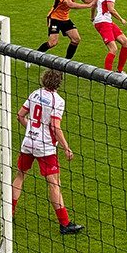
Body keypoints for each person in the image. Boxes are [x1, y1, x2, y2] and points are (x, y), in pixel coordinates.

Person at [11, 69, 84, 235]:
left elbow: (20, 116)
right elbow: (54, 126)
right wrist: (66, 147)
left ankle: (10, 212)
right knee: (54, 184)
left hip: (28, 142)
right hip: (46, 148)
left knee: (20, 176)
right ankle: (65, 224)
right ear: (59, 82)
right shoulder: (57, 101)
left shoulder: (35, 94)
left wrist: (31, 130)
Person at [30, 0, 97, 65]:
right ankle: (32, 58)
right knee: (53, 43)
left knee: (76, 39)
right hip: (55, 18)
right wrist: (88, 6)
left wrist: (96, 1)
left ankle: (66, 62)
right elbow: (71, 4)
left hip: (65, 19)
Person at [92, 0, 127, 73]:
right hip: (103, 22)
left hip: (106, 21)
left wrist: (92, 17)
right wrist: (121, 19)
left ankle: (119, 71)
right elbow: (111, 9)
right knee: (113, 49)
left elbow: (94, 3)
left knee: (126, 43)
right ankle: (107, 78)